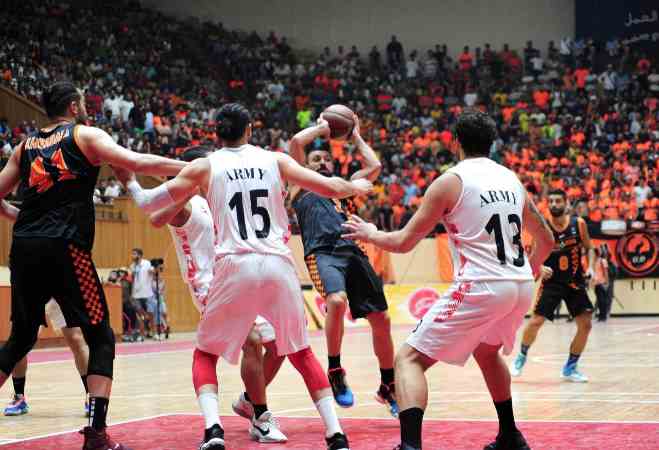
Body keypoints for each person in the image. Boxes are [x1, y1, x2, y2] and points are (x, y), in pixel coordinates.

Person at [122, 104, 372, 450]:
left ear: (216, 134)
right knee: (301, 352)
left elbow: (150, 203)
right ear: (250, 130)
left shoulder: (207, 166)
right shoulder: (275, 160)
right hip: (277, 263)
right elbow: (331, 187)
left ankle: (214, 430)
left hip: (235, 265)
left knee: (205, 354)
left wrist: (130, 182)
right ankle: (335, 434)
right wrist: (356, 183)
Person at [342, 110, 554, 450]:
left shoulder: (451, 181)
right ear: (491, 143)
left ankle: (410, 446)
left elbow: (403, 242)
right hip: (519, 286)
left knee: (408, 360)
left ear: (455, 142)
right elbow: (547, 240)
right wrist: (527, 271)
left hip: (483, 283)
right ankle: (510, 436)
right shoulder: (512, 180)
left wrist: (370, 232)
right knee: (487, 352)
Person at [0, 80, 186, 450]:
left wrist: (21, 218)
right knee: (101, 336)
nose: (86, 107)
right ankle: (97, 435)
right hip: (66, 248)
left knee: (21, 338)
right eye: (83, 102)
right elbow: (136, 162)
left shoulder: (25, 145)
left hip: (24, 249)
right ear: (73, 106)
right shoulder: (85, 135)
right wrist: (196, 165)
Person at [116, 146, 288, 445]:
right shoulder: (186, 204)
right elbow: (155, 215)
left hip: (241, 280)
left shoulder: (219, 197)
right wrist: (133, 182)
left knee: (280, 345)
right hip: (208, 285)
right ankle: (259, 419)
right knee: (251, 340)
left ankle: (249, 401)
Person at [289, 115, 398, 416]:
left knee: (382, 319)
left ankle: (388, 384)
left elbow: (374, 166)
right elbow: (296, 142)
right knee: (336, 301)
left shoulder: (344, 188)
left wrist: (356, 135)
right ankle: (335, 369)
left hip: (353, 251)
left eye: (326, 159)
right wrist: (323, 128)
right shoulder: (300, 184)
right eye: (316, 159)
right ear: (306, 166)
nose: (322, 162)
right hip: (322, 253)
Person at [511, 189, 596, 382]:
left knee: (586, 324)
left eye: (558, 201)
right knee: (535, 322)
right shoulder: (543, 226)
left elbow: (590, 248)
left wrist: (591, 267)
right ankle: (521, 356)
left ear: (566, 203)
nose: (554, 204)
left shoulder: (578, 224)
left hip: (575, 281)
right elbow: (533, 255)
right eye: (551, 201)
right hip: (552, 282)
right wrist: (540, 267)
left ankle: (570, 368)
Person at [3, 300, 90, 417]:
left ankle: (91, 394)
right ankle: (19, 397)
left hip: (60, 291)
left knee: (75, 338)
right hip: (32, 291)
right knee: (20, 340)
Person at [129, 248, 156, 338]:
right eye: (132, 254)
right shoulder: (132, 266)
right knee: (140, 316)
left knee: (151, 315)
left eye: (134, 254)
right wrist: (131, 294)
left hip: (147, 294)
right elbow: (132, 281)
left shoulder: (147, 263)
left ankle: (154, 333)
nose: (132, 256)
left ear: (140, 255)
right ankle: (142, 334)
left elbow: (153, 271)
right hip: (136, 295)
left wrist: (153, 270)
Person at [593, 245, 611, 322]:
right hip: (596, 283)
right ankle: (601, 315)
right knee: (599, 300)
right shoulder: (595, 262)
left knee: (602, 300)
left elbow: (606, 272)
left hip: (602, 283)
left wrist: (606, 282)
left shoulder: (602, 261)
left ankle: (603, 316)